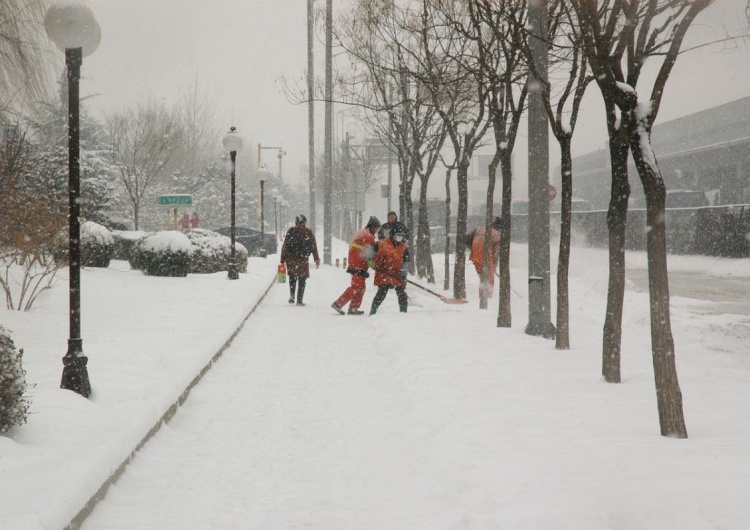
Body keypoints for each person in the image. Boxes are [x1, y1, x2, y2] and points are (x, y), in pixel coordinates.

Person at [331, 216, 381, 315]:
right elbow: (369, 254)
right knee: (356, 287)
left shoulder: (360, 232)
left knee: (361, 287)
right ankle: (338, 304)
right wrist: (375, 266)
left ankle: (353, 308)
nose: (377, 231)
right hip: (359, 264)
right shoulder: (368, 236)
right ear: (372, 226)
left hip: (354, 263)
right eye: (376, 228)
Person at [369, 224, 410, 315]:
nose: (400, 237)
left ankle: (404, 314)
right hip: (383, 273)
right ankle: (372, 312)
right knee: (381, 294)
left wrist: (403, 273)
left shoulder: (403, 247)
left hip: (397, 274)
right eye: (398, 235)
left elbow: (406, 261)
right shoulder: (382, 243)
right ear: (393, 235)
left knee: (402, 294)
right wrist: (372, 263)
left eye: (401, 235)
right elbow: (368, 252)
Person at [280, 214, 320, 306]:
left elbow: (285, 245)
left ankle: (292, 296)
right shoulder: (308, 232)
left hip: (291, 259)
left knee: (292, 277)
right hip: (303, 259)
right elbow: (313, 246)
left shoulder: (291, 231)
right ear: (305, 222)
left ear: (296, 222)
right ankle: (299, 300)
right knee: (302, 280)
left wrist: (282, 259)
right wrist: (316, 258)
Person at [467, 216, 502, 298]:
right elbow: (496, 253)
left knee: (483, 277)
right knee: (489, 280)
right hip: (487, 259)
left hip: (475, 257)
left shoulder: (479, 229)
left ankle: (482, 296)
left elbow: (467, 239)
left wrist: (474, 249)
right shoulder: (496, 235)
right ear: (499, 228)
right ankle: (487, 298)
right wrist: (494, 265)